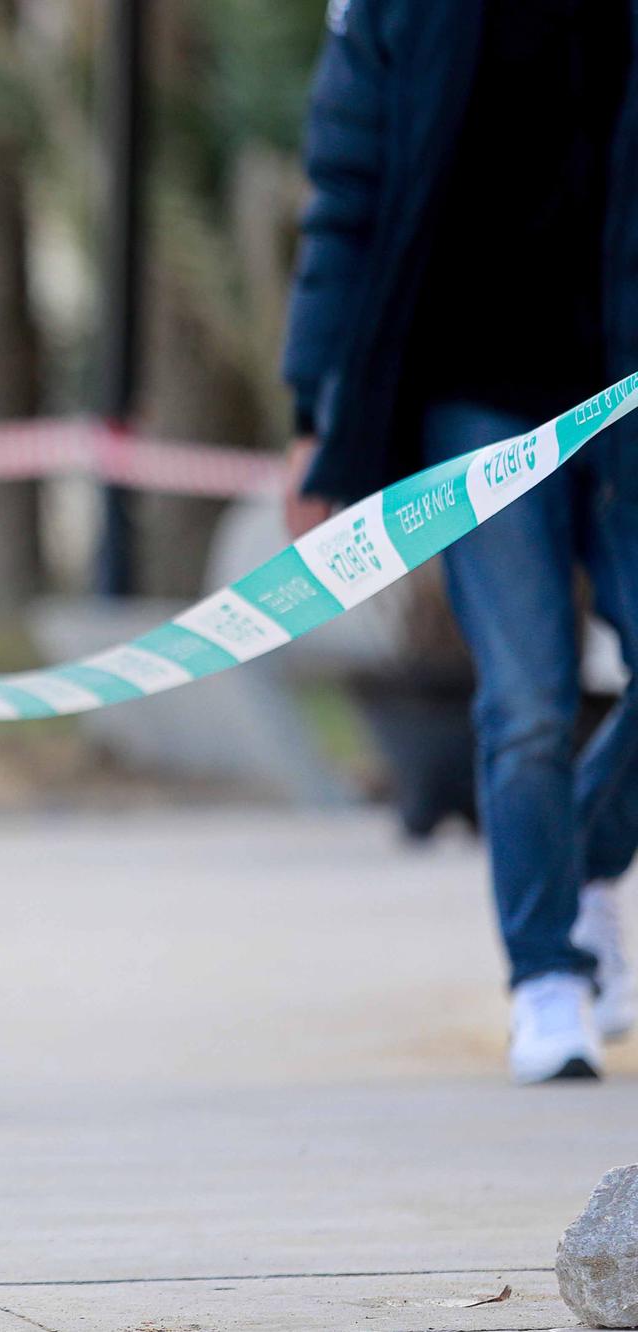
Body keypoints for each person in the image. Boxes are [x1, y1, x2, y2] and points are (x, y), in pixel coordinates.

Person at [283, 0, 638, 1084]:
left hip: (622, 382)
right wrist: (316, 414)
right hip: (474, 392)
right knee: (525, 692)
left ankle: (573, 863)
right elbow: (343, 196)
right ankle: (546, 976)